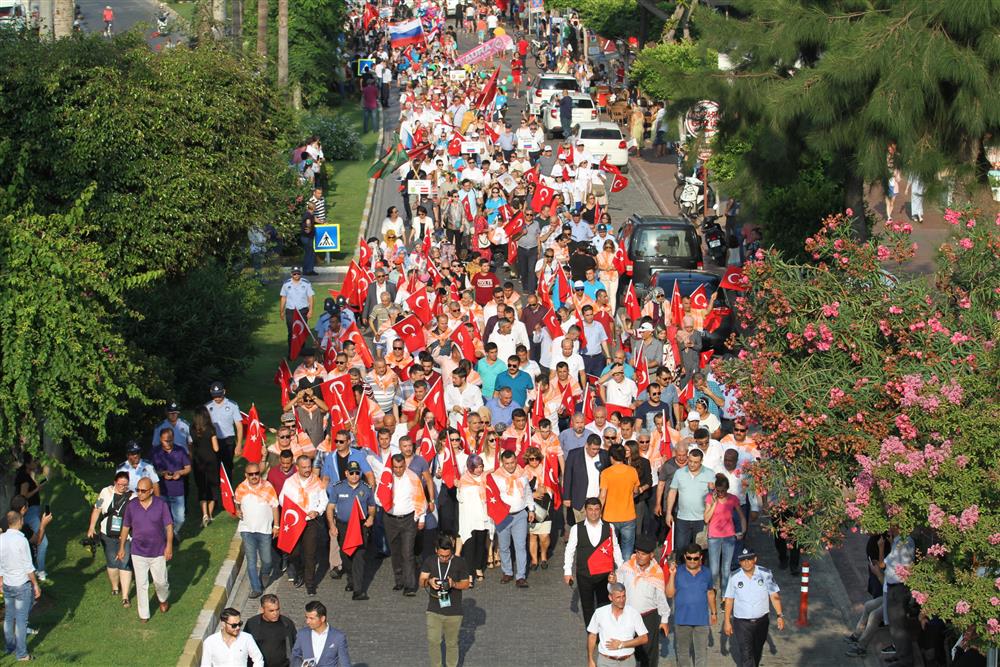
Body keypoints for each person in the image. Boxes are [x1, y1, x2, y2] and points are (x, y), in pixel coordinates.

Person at [117, 477, 173, 623]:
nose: (139, 493)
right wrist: (122, 547)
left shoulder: (161, 505)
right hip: (138, 552)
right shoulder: (131, 506)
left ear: (151, 491)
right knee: (141, 584)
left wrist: (169, 546)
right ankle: (144, 614)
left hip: (158, 551)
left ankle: (163, 599)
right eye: (137, 490)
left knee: (161, 582)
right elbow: (125, 527)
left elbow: (169, 527)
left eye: (143, 491)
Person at [611, 535, 669, 667]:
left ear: (651, 555)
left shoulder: (657, 572)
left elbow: (661, 598)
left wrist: (664, 620)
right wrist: (612, 583)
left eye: (643, 554)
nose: (639, 556)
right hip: (628, 616)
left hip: (649, 617)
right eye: (637, 552)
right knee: (627, 651)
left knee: (648, 653)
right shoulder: (626, 568)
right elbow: (615, 588)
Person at [565, 497, 623, 627]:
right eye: (590, 509)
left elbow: (616, 548)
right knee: (587, 606)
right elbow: (570, 550)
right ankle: (592, 632)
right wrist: (567, 571)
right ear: (585, 511)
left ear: (600, 511)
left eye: (596, 509)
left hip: (604, 575)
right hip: (584, 574)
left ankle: (604, 630)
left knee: (605, 604)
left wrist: (621, 568)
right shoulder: (576, 528)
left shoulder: (609, 527)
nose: (593, 512)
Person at [723, 548, 784, 667]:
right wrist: (726, 622)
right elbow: (729, 599)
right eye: (743, 560)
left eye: (749, 559)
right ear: (739, 562)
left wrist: (779, 615)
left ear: (754, 559)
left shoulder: (765, 574)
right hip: (742, 623)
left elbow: (774, 595)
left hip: (761, 621)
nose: (746, 562)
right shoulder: (734, 577)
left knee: (757, 651)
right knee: (746, 653)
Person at [277, 455, 328, 596]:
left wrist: (317, 511)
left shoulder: (317, 482)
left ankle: (310, 583)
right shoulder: (289, 483)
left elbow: (324, 501)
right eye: (304, 467)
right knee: (294, 552)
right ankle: (299, 571)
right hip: (294, 522)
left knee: (310, 554)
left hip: (310, 522)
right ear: (297, 467)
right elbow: (282, 499)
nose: (307, 470)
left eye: (309, 467)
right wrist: (293, 509)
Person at [326, 461, 376, 601]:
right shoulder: (338, 488)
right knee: (346, 555)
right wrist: (332, 526)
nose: (354, 476)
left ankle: (359, 591)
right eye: (351, 473)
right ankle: (351, 579)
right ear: (346, 473)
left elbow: (372, 506)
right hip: (343, 526)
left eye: (357, 473)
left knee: (359, 557)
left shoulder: (366, 488)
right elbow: (330, 508)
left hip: (360, 527)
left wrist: (371, 517)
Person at [419, 534, 471, 667]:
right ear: (436, 550)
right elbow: (421, 582)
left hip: (454, 611)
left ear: (451, 552)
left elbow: (465, 584)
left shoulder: (460, 562)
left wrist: (454, 584)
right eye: (441, 556)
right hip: (434, 609)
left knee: (451, 643)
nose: (444, 558)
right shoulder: (429, 561)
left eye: (447, 556)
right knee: (433, 641)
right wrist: (429, 581)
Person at [86, 470, 135, 607]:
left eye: (125, 485)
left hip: (125, 536)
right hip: (107, 534)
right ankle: (115, 587)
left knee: (124, 562)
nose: (123, 487)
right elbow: (97, 509)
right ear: (115, 483)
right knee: (112, 562)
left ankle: (125, 596)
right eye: (120, 484)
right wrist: (91, 527)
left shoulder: (132, 497)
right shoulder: (105, 492)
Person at [0, 510, 42, 661]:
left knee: (9, 617)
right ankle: (22, 654)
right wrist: (35, 584)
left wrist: (0, 580)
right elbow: (28, 566)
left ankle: (10, 647)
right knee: (21, 620)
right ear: (20, 521)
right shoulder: (21, 540)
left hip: (7, 584)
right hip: (21, 584)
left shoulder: (1, 539)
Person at [234, 462, 280, 599]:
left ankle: (265, 573)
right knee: (251, 560)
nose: (254, 476)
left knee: (267, 560)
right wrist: (237, 510)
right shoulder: (241, 488)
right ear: (246, 475)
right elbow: (236, 501)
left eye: (256, 473)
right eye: (251, 474)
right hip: (247, 530)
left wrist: (276, 525)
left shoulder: (268, 487)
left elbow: (275, 507)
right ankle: (256, 588)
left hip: (264, 530)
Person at [667, 542, 716, 667]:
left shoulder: (707, 573)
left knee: (701, 655)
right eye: (689, 558)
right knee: (683, 655)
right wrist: (672, 575)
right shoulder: (677, 572)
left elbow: (710, 593)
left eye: (695, 558)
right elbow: (669, 594)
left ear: (700, 558)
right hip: (682, 620)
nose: (692, 561)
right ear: (685, 557)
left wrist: (714, 613)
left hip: (702, 621)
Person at [384, 453, 427, 596]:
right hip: (390, 519)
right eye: (395, 467)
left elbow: (420, 497)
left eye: (400, 467)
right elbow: (379, 496)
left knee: (407, 552)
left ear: (405, 465)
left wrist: (421, 518)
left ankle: (409, 585)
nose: (398, 470)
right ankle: (399, 581)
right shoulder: (386, 478)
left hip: (408, 519)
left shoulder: (413, 478)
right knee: (395, 552)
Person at [492, 450, 536, 588]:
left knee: (520, 546)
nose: (510, 466)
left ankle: (521, 576)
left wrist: (531, 509)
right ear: (502, 463)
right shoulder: (495, 477)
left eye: (512, 463)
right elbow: (491, 497)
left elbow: (528, 492)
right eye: (507, 464)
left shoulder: (522, 475)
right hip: (503, 516)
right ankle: (507, 572)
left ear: (516, 461)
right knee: (504, 546)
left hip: (520, 514)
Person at [665, 447, 716, 555]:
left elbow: (715, 497)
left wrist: (712, 489)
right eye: (690, 461)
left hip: (701, 519)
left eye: (696, 462)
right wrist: (669, 513)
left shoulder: (710, 473)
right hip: (682, 518)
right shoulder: (679, 473)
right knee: (681, 549)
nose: (692, 464)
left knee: (701, 550)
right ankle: (681, 570)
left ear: (701, 461)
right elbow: (672, 492)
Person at [586, 582, 649, 667]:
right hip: (606, 661)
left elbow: (644, 638)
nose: (622, 600)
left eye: (624, 596)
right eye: (618, 597)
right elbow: (592, 636)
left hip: (628, 662)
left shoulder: (633, 613)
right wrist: (590, 659)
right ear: (610, 597)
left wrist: (622, 644)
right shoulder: (600, 613)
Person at [703, 473, 746, 596]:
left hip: (729, 536)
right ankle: (712, 592)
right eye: (718, 490)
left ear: (727, 489)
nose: (721, 493)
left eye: (723, 491)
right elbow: (706, 519)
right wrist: (715, 503)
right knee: (714, 569)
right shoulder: (710, 498)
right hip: (714, 537)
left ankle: (725, 595)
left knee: (726, 568)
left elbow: (742, 517)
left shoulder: (733, 499)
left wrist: (742, 532)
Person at [599, 443, 640, 560]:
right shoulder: (632, 471)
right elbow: (636, 490)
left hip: (610, 516)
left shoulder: (606, 473)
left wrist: (598, 513)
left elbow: (602, 496)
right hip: (628, 515)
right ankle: (625, 575)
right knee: (627, 550)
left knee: (611, 550)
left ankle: (612, 574)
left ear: (611, 457)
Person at [14, 453, 48, 580]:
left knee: (33, 540)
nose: (36, 463)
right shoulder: (24, 477)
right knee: (42, 541)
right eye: (33, 461)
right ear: (27, 463)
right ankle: (40, 571)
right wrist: (37, 489)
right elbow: (23, 497)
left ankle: (35, 568)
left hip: (33, 511)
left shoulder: (27, 475)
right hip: (29, 512)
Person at [151, 428, 192, 536]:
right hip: (162, 490)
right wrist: (162, 473)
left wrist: (179, 473)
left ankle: (171, 534)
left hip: (177, 490)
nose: (168, 443)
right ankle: (169, 537)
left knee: (180, 518)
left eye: (170, 440)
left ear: (173, 438)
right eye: (165, 440)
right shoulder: (155, 452)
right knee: (164, 518)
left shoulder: (180, 450)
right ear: (160, 439)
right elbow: (151, 470)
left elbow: (188, 467)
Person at [563, 434, 610, 522]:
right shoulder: (574, 454)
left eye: (597, 449)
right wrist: (566, 497)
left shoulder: (604, 455)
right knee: (582, 530)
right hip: (580, 500)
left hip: (598, 500)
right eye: (593, 449)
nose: (595, 452)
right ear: (586, 445)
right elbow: (568, 476)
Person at [290, 601, 351, 666]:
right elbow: (295, 656)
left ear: (322, 618)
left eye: (311, 618)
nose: (307, 621)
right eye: (306, 617)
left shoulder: (338, 637)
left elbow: (345, 662)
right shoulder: (302, 634)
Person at [243, 594, 297, 667]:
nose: (275, 613)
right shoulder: (252, 624)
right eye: (271, 611)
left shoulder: (287, 623)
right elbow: (244, 646)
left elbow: (296, 646)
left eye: (277, 609)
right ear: (262, 609)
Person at [200, 607, 264, 666]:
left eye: (239, 624)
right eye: (234, 625)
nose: (238, 627)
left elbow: (258, 659)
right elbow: (205, 665)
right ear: (223, 624)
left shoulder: (247, 638)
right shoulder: (210, 642)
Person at [206, 381, 243, 481]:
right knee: (214, 467)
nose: (217, 398)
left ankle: (228, 490)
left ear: (224, 392)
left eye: (219, 395)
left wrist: (239, 444)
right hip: (214, 440)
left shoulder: (232, 405)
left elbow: (239, 426)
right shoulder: (207, 407)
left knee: (228, 467)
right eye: (215, 396)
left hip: (228, 441)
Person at [191, 405, 221, 527]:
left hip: (198, 461)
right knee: (212, 486)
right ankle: (210, 514)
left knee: (201, 487)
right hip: (211, 461)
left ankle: (204, 514)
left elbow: (191, 445)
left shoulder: (192, 429)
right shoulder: (210, 429)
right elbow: (216, 448)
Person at [279, 266, 314, 359]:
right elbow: (283, 297)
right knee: (291, 332)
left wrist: (310, 310)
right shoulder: (286, 284)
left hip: (302, 311)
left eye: (298, 273)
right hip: (290, 311)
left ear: (300, 273)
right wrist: (281, 311)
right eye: (294, 273)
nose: (296, 275)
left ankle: (302, 351)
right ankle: (292, 352)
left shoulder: (306, 283)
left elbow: (310, 297)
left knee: (301, 331)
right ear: (291, 274)